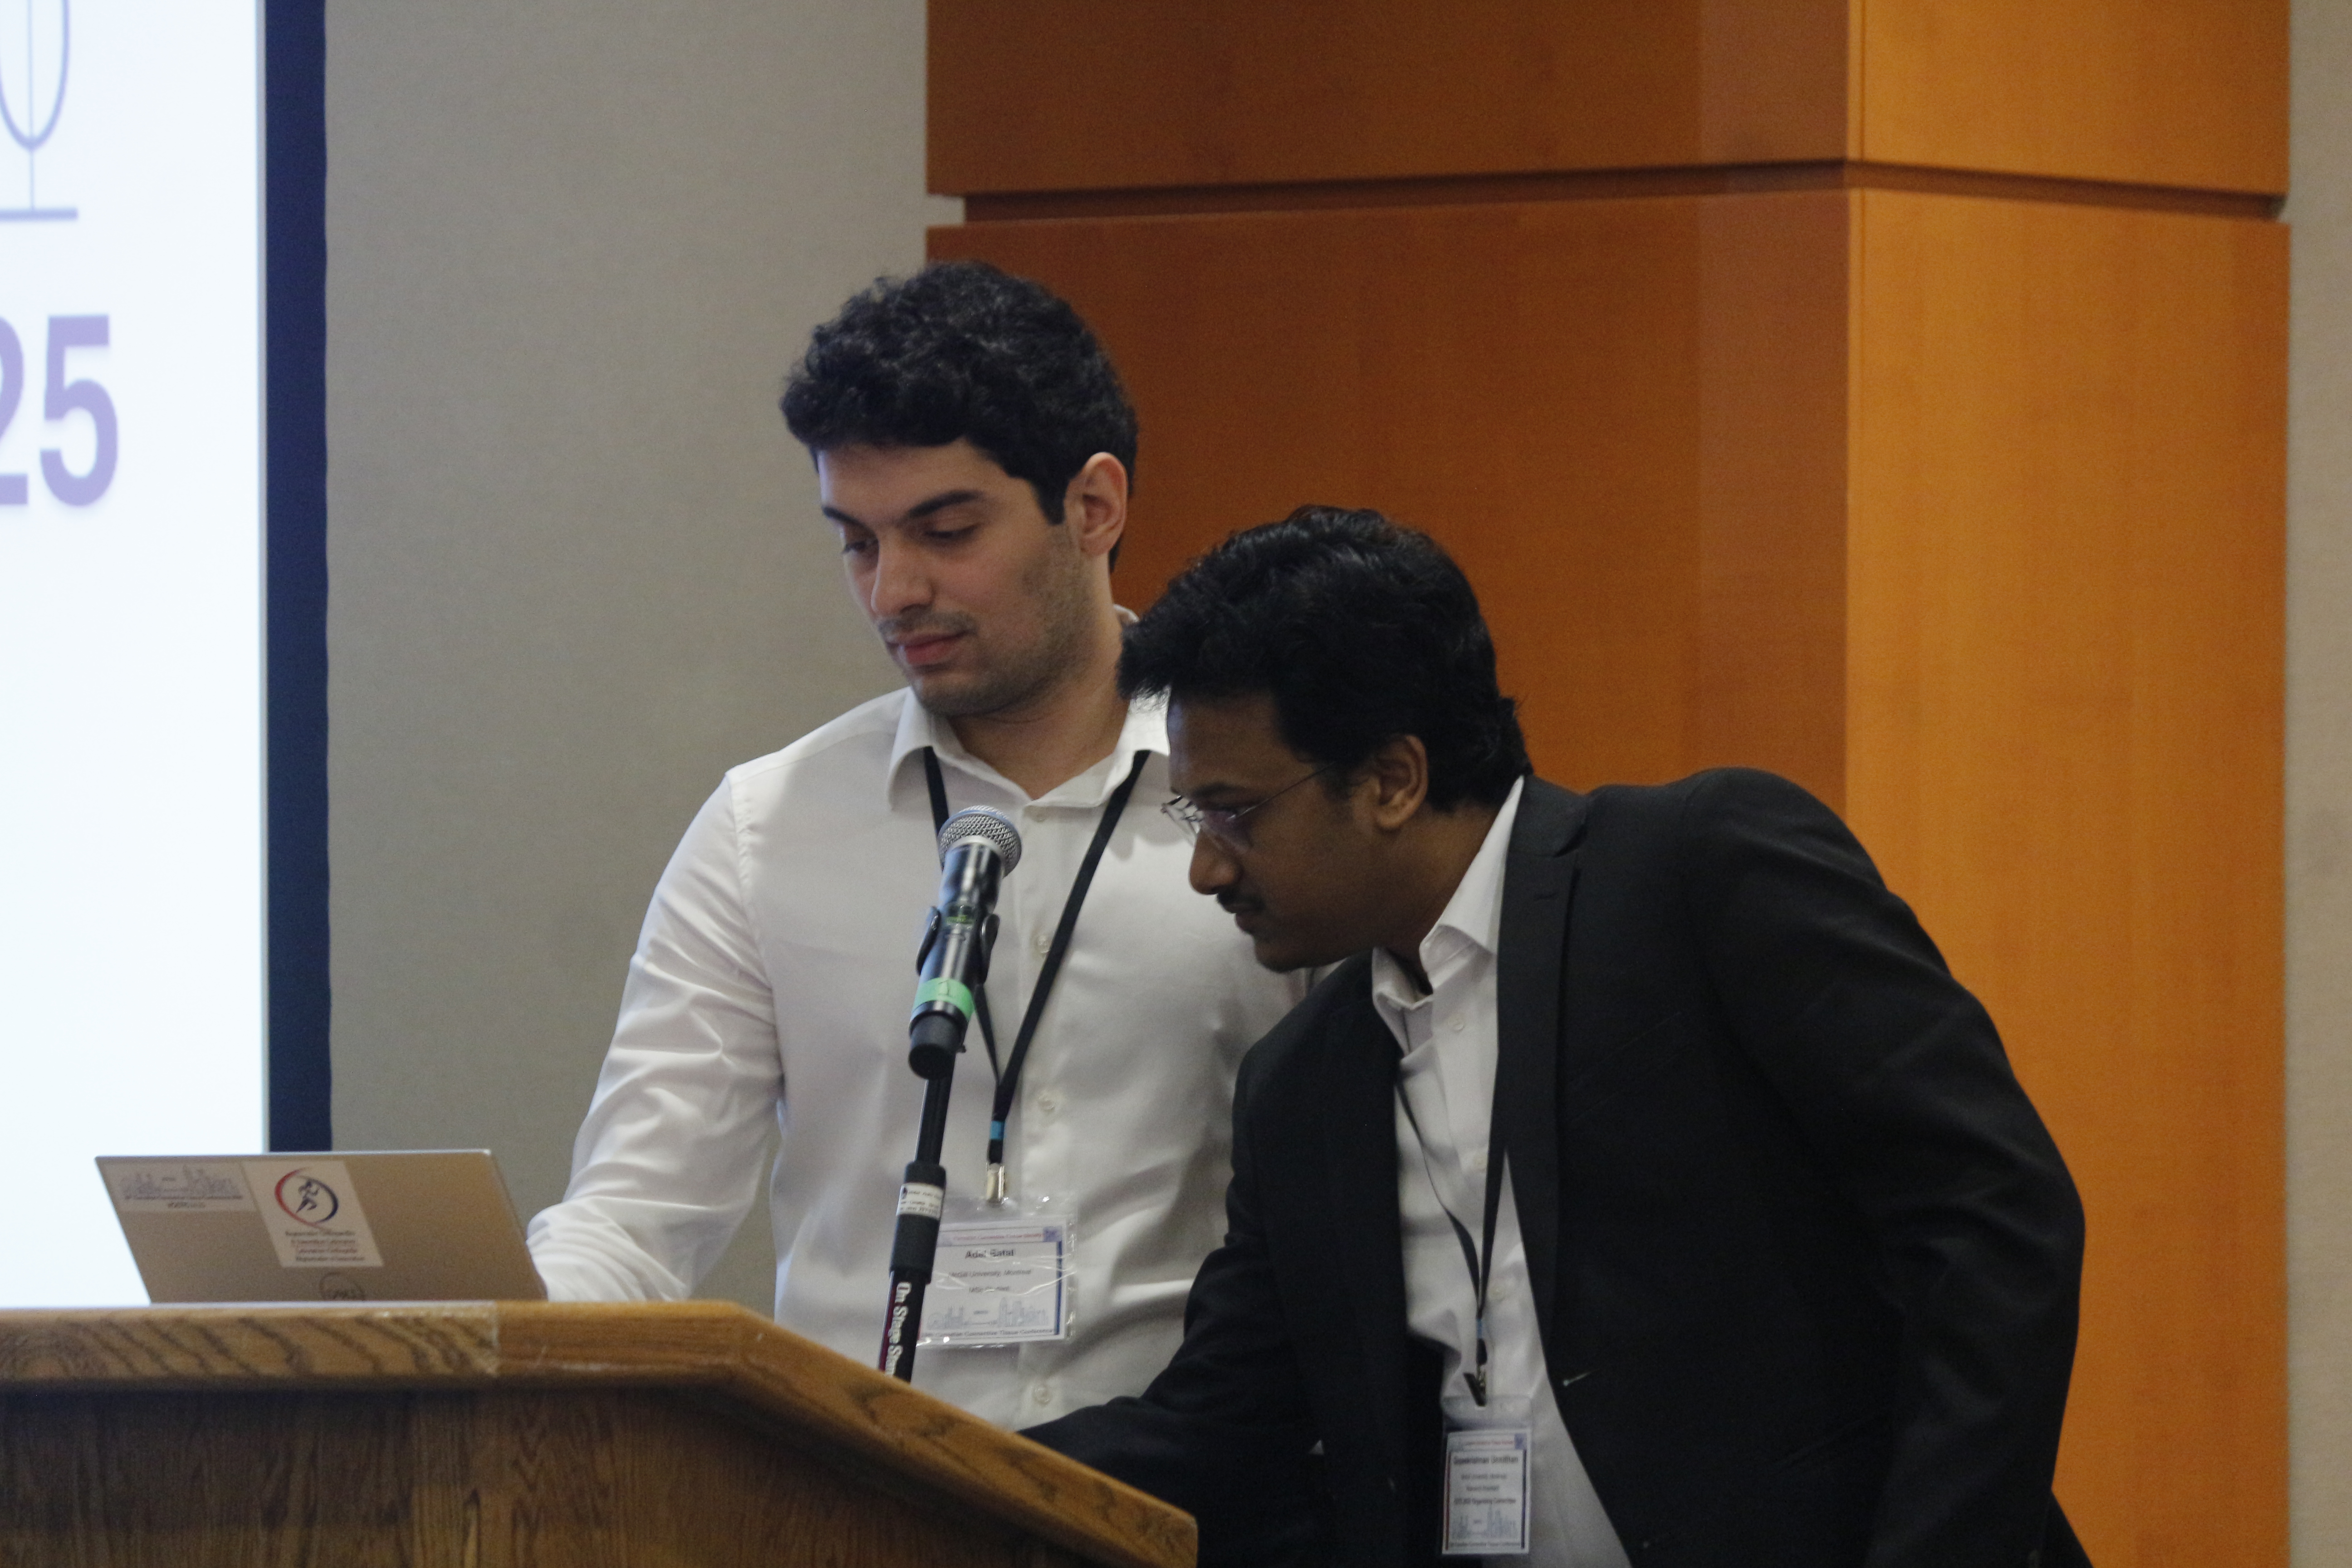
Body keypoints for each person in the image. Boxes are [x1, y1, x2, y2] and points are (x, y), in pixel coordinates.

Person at [1030, 507, 2091, 1567]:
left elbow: (1994, 1221)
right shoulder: (1300, 1082)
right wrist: (945, 1464)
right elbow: (1220, 1425)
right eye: (1194, 819)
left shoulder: (1695, 876)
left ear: (1393, 780)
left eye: (1235, 813)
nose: (1208, 869)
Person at [525, 262, 1310, 1429]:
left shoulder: (1266, 802)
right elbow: (636, 1220)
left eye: (946, 532)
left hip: (1197, 1492)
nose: (894, 590)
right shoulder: (768, 829)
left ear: (1093, 507)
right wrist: (491, 1341)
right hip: (867, 1494)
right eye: (857, 542)